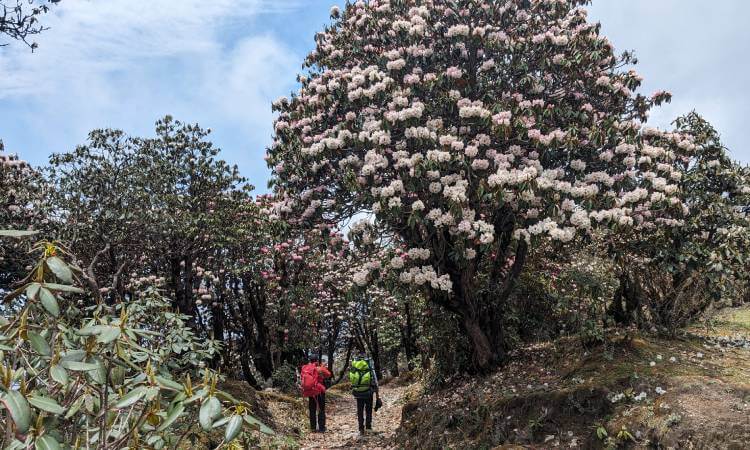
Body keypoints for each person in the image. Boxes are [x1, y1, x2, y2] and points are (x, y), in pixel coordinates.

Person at [349, 352, 379, 436]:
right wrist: (377, 393)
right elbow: (375, 380)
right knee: (368, 409)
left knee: (360, 410)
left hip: (358, 391)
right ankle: (368, 427)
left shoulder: (355, 366)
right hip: (368, 391)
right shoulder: (369, 366)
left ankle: (361, 428)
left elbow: (351, 378)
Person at [300, 355, 332, 433]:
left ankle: (313, 427)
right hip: (319, 390)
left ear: (310, 360)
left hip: (310, 391)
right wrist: (322, 366)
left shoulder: (305, 368)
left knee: (312, 409)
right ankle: (321, 428)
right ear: (317, 360)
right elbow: (328, 374)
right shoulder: (319, 368)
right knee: (321, 409)